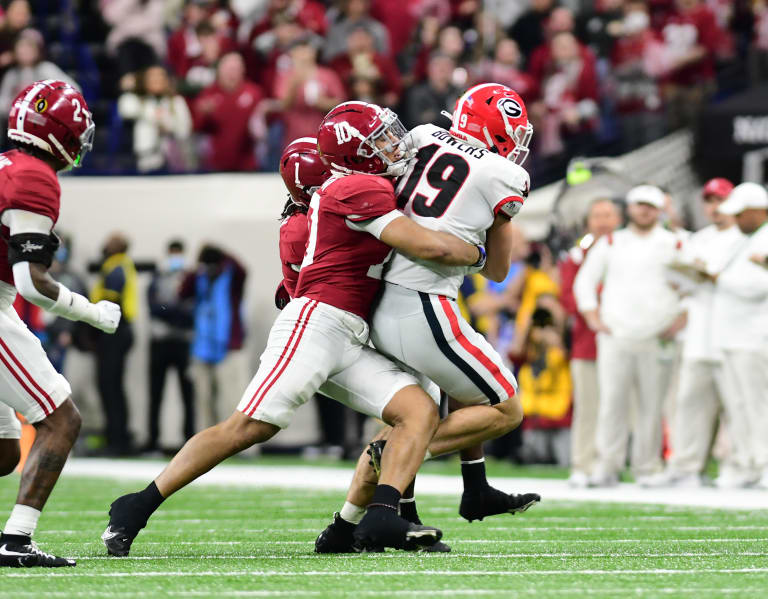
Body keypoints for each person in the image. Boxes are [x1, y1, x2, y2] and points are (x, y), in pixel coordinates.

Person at [101, 101, 484, 555]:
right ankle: (136, 505)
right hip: (318, 323)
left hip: (351, 334)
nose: (392, 144)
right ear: (353, 155)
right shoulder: (355, 187)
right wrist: (477, 251)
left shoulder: (337, 196)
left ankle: (377, 518)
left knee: (418, 411)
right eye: (379, 139)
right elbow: (426, 244)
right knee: (249, 428)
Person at [316, 84, 542, 553]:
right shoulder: (502, 174)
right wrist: (490, 225)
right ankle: (392, 470)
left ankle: (367, 522)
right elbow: (498, 270)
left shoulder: (420, 135)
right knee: (503, 407)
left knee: (434, 400)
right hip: (422, 303)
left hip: (379, 294)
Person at [0, 80, 120, 568]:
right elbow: (32, 282)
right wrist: (92, 311)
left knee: (6, 453)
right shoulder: (33, 176)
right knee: (62, 418)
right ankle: (15, 541)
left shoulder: (9, 164)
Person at [574, 185, 685, 486]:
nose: (645, 211)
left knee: (652, 405)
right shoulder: (611, 241)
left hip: (657, 335)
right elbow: (584, 282)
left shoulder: (675, 242)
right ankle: (607, 465)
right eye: (640, 205)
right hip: (616, 334)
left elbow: (693, 284)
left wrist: (680, 318)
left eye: (651, 206)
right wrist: (593, 317)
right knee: (612, 402)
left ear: (660, 209)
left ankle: (647, 468)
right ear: (631, 209)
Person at [643, 178, 745, 487]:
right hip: (698, 335)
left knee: (737, 406)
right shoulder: (698, 240)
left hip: (735, 336)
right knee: (688, 404)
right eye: (710, 201)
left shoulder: (746, 239)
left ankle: (738, 467)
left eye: (721, 201)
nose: (715, 207)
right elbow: (681, 282)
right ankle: (685, 467)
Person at [558, 198, 621, 487]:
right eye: (598, 215)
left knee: (618, 407)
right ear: (588, 221)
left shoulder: (625, 248)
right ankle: (582, 463)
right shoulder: (577, 254)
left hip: (621, 341)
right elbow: (570, 297)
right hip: (588, 343)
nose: (603, 221)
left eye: (608, 215)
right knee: (588, 407)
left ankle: (609, 464)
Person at [711, 182, 768, 489]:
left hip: (755, 336)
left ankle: (764, 463)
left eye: (740, 214)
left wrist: (721, 280)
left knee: (759, 404)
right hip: (732, 335)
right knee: (738, 405)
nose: (736, 220)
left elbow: (760, 286)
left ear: (758, 211)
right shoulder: (745, 240)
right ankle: (748, 463)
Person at [181, 244, 247, 430]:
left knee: (232, 398)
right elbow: (182, 293)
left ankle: (238, 443)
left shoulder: (233, 278)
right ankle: (206, 445)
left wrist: (220, 253)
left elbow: (242, 269)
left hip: (228, 347)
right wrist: (196, 269)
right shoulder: (198, 279)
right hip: (202, 348)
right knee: (203, 401)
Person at [144, 240, 195, 454]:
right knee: (156, 392)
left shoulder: (190, 278)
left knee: (188, 394)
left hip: (183, 342)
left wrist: (173, 313)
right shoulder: (158, 277)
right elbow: (154, 308)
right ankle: (153, 440)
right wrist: (176, 312)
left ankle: (189, 440)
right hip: (160, 341)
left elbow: (192, 309)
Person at [90, 232, 138, 456]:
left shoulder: (115, 267)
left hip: (115, 332)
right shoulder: (121, 265)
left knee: (110, 386)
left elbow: (109, 301)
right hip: (119, 332)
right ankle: (117, 437)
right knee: (113, 386)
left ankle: (117, 441)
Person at [117, 65, 194, 173]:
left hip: (174, 159)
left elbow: (185, 129)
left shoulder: (176, 102)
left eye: (160, 77)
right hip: (145, 159)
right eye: (152, 78)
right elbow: (125, 108)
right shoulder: (139, 101)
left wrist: (166, 123)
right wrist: (153, 115)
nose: (156, 80)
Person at [0, 29, 78, 115]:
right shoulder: (12, 74)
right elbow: (2, 103)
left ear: (38, 50)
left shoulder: (47, 69)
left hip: (46, 118)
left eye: (29, 46)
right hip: (17, 120)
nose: (24, 50)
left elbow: (74, 89)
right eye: (21, 46)